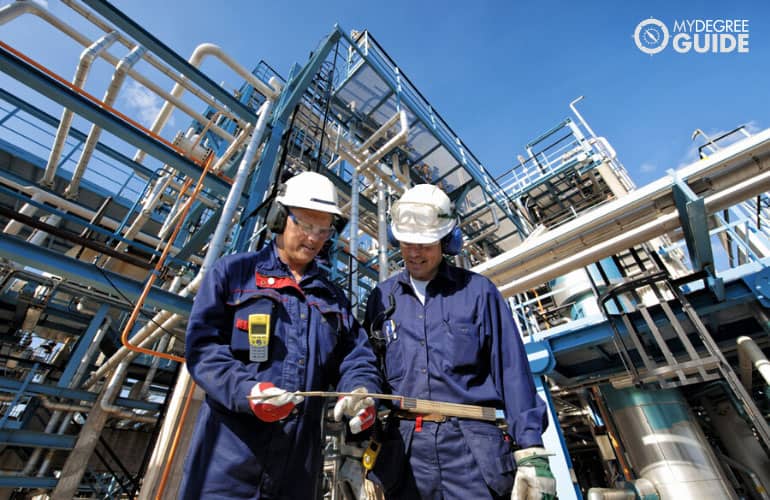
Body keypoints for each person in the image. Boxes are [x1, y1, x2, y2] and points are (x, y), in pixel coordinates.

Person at [180, 171, 381, 499]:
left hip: (297, 471)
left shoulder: (333, 299)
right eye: (304, 224)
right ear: (279, 218)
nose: (314, 238)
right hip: (227, 464)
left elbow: (356, 357)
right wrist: (246, 390)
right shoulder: (234, 273)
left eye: (324, 229)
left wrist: (361, 391)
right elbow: (203, 348)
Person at [364, 184, 556, 500]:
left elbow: (512, 372)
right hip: (404, 454)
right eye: (406, 243)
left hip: (472, 452)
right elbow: (369, 369)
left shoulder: (478, 292)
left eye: (424, 244)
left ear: (448, 241)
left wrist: (532, 449)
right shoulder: (381, 298)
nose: (413, 253)